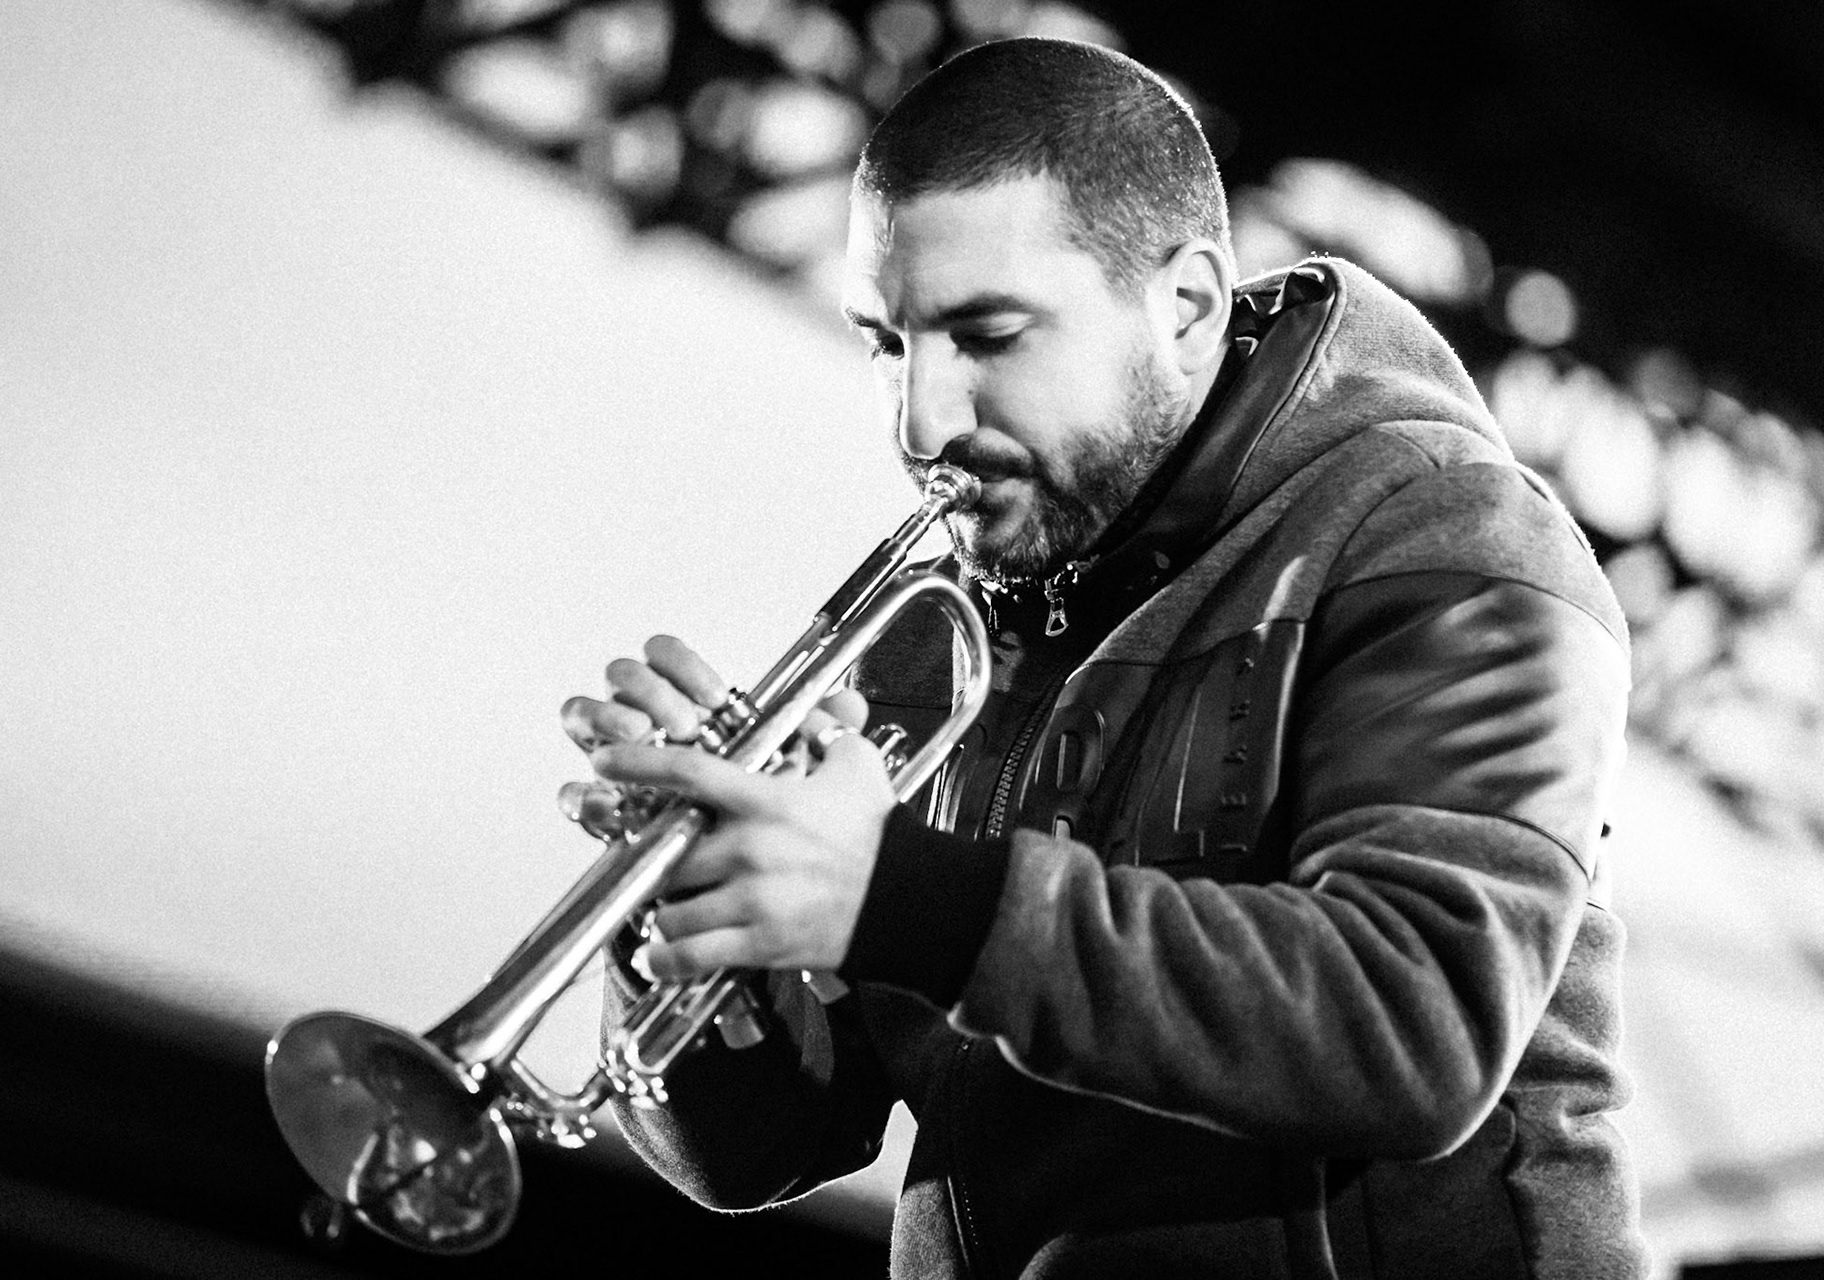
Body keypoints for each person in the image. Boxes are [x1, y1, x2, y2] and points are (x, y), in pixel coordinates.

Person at [561, 36, 1646, 1280]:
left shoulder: (1448, 532)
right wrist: (695, 929)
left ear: (1182, 305)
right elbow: (760, 1150)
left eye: (989, 334)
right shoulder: (941, 627)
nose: (923, 422)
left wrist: (898, 893)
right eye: (885, 342)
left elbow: (1415, 1023)